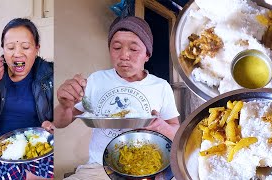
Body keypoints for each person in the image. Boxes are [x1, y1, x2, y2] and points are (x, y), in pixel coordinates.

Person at [54, 16, 180, 179]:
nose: (124, 55)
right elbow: (59, 122)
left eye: (133, 49)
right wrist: (64, 106)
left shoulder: (161, 86)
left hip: (147, 167)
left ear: (147, 54)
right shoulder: (96, 80)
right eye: (116, 47)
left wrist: (161, 127)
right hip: (99, 168)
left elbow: (176, 130)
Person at [0, 18, 54, 179]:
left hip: (34, 146)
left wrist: (54, 125)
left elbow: (62, 117)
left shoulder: (50, 75)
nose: (17, 53)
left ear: (37, 49)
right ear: (3, 50)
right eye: (10, 47)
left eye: (25, 47)